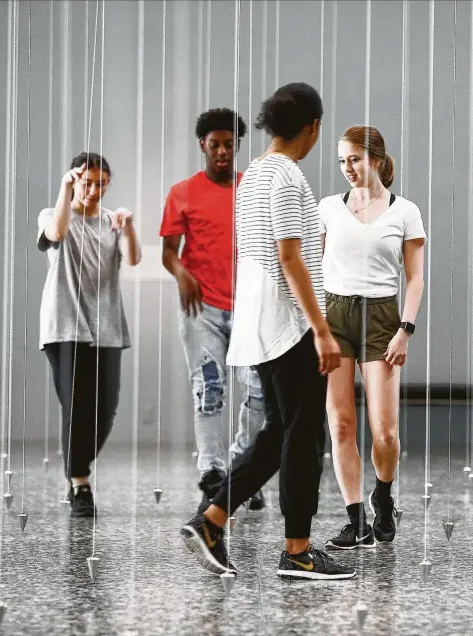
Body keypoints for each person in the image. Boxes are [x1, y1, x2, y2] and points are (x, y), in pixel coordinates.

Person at [180, 83, 355, 581]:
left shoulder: (253, 174)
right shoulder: (286, 177)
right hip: (289, 322)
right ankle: (297, 552)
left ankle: (212, 520)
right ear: (313, 127)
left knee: (278, 429)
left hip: (258, 320)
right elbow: (289, 255)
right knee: (303, 436)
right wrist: (320, 329)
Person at [319, 126, 426, 549]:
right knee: (341, 424)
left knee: (384, 431)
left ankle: (383, 495)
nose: (348, 168)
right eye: (342, 161)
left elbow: (415, 280)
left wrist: (405, 329)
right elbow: (312, 265)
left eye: (355, 160)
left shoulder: (406, 212)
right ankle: (355, 519)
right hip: (334, 314)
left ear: (377, 160)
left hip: (383, 317)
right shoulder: (328, 207)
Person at [160, 108, 266, 513]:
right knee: (209, 390)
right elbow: (170, 253)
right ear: (203, 145)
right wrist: (182, 274)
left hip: (249, 309)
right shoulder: (183, 192)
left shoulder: (251, 190)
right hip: (201, 309)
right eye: (215, 144)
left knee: (258, 392)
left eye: (229, 144)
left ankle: (245, 468)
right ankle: (212, 472)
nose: (222, 151)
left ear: (237, 146)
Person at [38, 152, 141, 517]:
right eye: (87, 183)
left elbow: (132, 259)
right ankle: (80, 483)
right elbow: (58, 233)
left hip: (107, 329)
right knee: (78, 406)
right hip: (65, 327)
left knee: (106, 410)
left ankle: (75, 466)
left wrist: (127, 227)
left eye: (101, 183)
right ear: (75, 182)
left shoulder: (113, 220)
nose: (95, 190)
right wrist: (66, 189)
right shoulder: (54, 213)